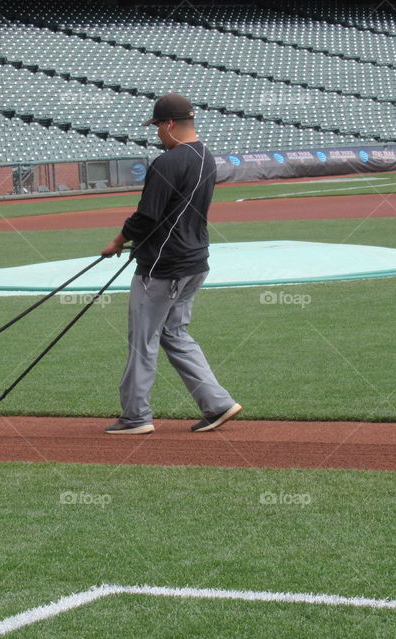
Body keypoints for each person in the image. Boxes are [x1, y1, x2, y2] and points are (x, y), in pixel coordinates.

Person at [100, 93, 241, 434]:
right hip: (195, 262)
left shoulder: (167, 163)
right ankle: (218, 403)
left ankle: (135, 416)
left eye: (158, 128)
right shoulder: (206, 157)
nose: (157, 135)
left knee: (143, 339)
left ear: (169, 124)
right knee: (174, 333)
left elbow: (147, 216)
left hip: (163, 267)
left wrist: (118, 241)